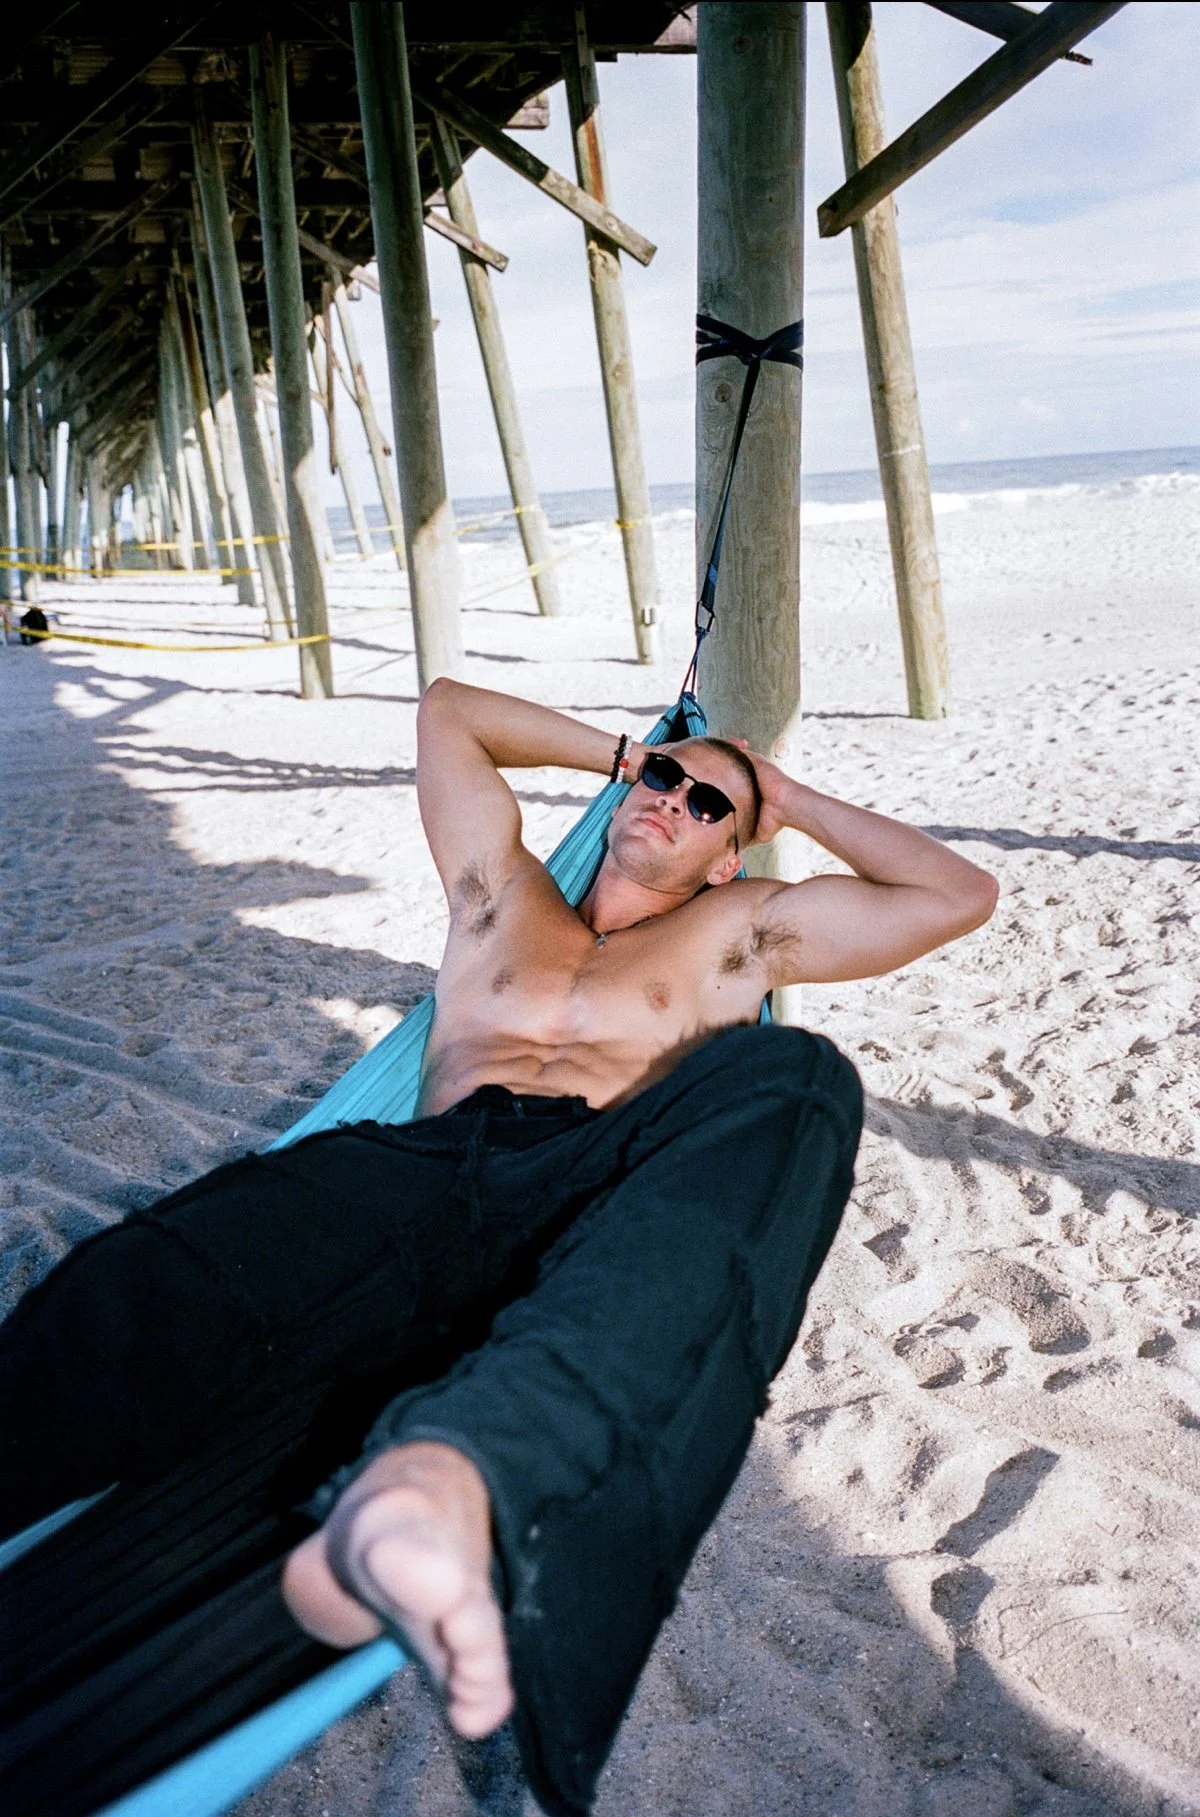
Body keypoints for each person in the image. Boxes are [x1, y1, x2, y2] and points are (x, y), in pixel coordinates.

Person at [0, 682, 997, 1815]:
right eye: (665, 777)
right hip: (409, 1171)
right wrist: (629, 751)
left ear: (732, 855)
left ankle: (452, 1481)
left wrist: (788, 796)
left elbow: (957, 892)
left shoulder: (738, 930)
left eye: (705, 800)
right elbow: (448, 715)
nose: (673, 797)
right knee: (165, 1271)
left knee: (802, 1081)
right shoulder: (499, 892)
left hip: (580, 1207)